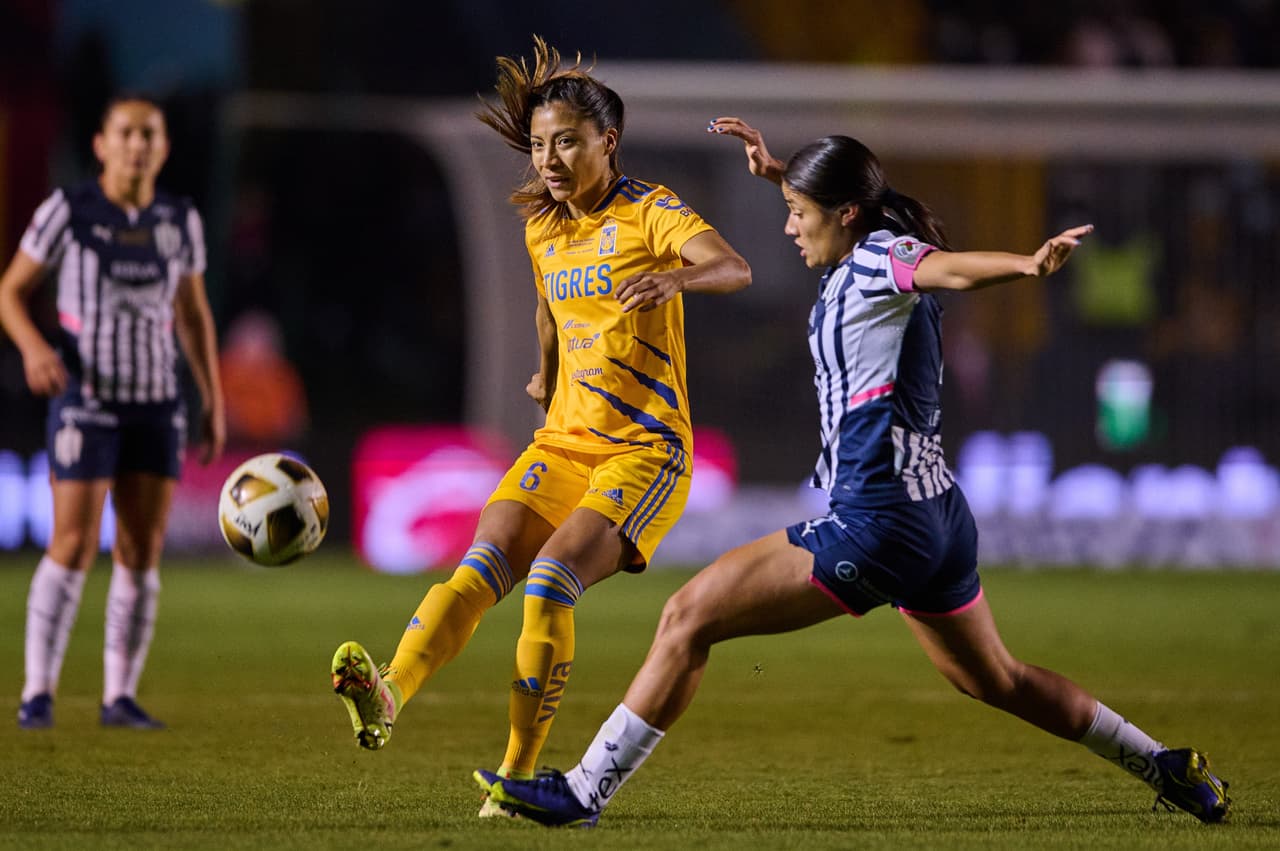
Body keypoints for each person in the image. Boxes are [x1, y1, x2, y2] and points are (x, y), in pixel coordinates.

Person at [473, 117, 1232, 827]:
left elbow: (949, 270)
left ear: (843, 214)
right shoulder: (861, 241)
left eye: (798, 211)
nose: (786, 224)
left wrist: (1028, 264)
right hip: (937, 517)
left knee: (686, 617)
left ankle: (582, 791)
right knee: (993, 678)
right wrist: (779, 172)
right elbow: (863, 230)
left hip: (876, 521)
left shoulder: (881, 255)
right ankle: (1163, 761)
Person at [330, 38, 751, 817]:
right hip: (561, 442)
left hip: (643, 451)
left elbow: (735, 267)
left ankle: (518, 771)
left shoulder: (651, 211)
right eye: (537, 145)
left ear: (606, 143)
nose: (548, 159)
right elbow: (550, 307)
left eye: (565, 142)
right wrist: (546, 373)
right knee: (479, 568)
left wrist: (676, 274)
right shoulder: (543, 229)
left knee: (550, 584)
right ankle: (389, 692)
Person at [1, 95, 226, 730]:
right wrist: (33, 346)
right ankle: (38, 691)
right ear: (100, 144)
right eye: (125, 133)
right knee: (71, 542)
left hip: (157, 403)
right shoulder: (68, 211)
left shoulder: (179, 219)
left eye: (148, 134)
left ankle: (118, 697)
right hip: (86, 400)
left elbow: (192, 313)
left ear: (163, 146)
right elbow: (9, 291)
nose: (137, 144)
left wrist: (212, 398)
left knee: (140, 549)